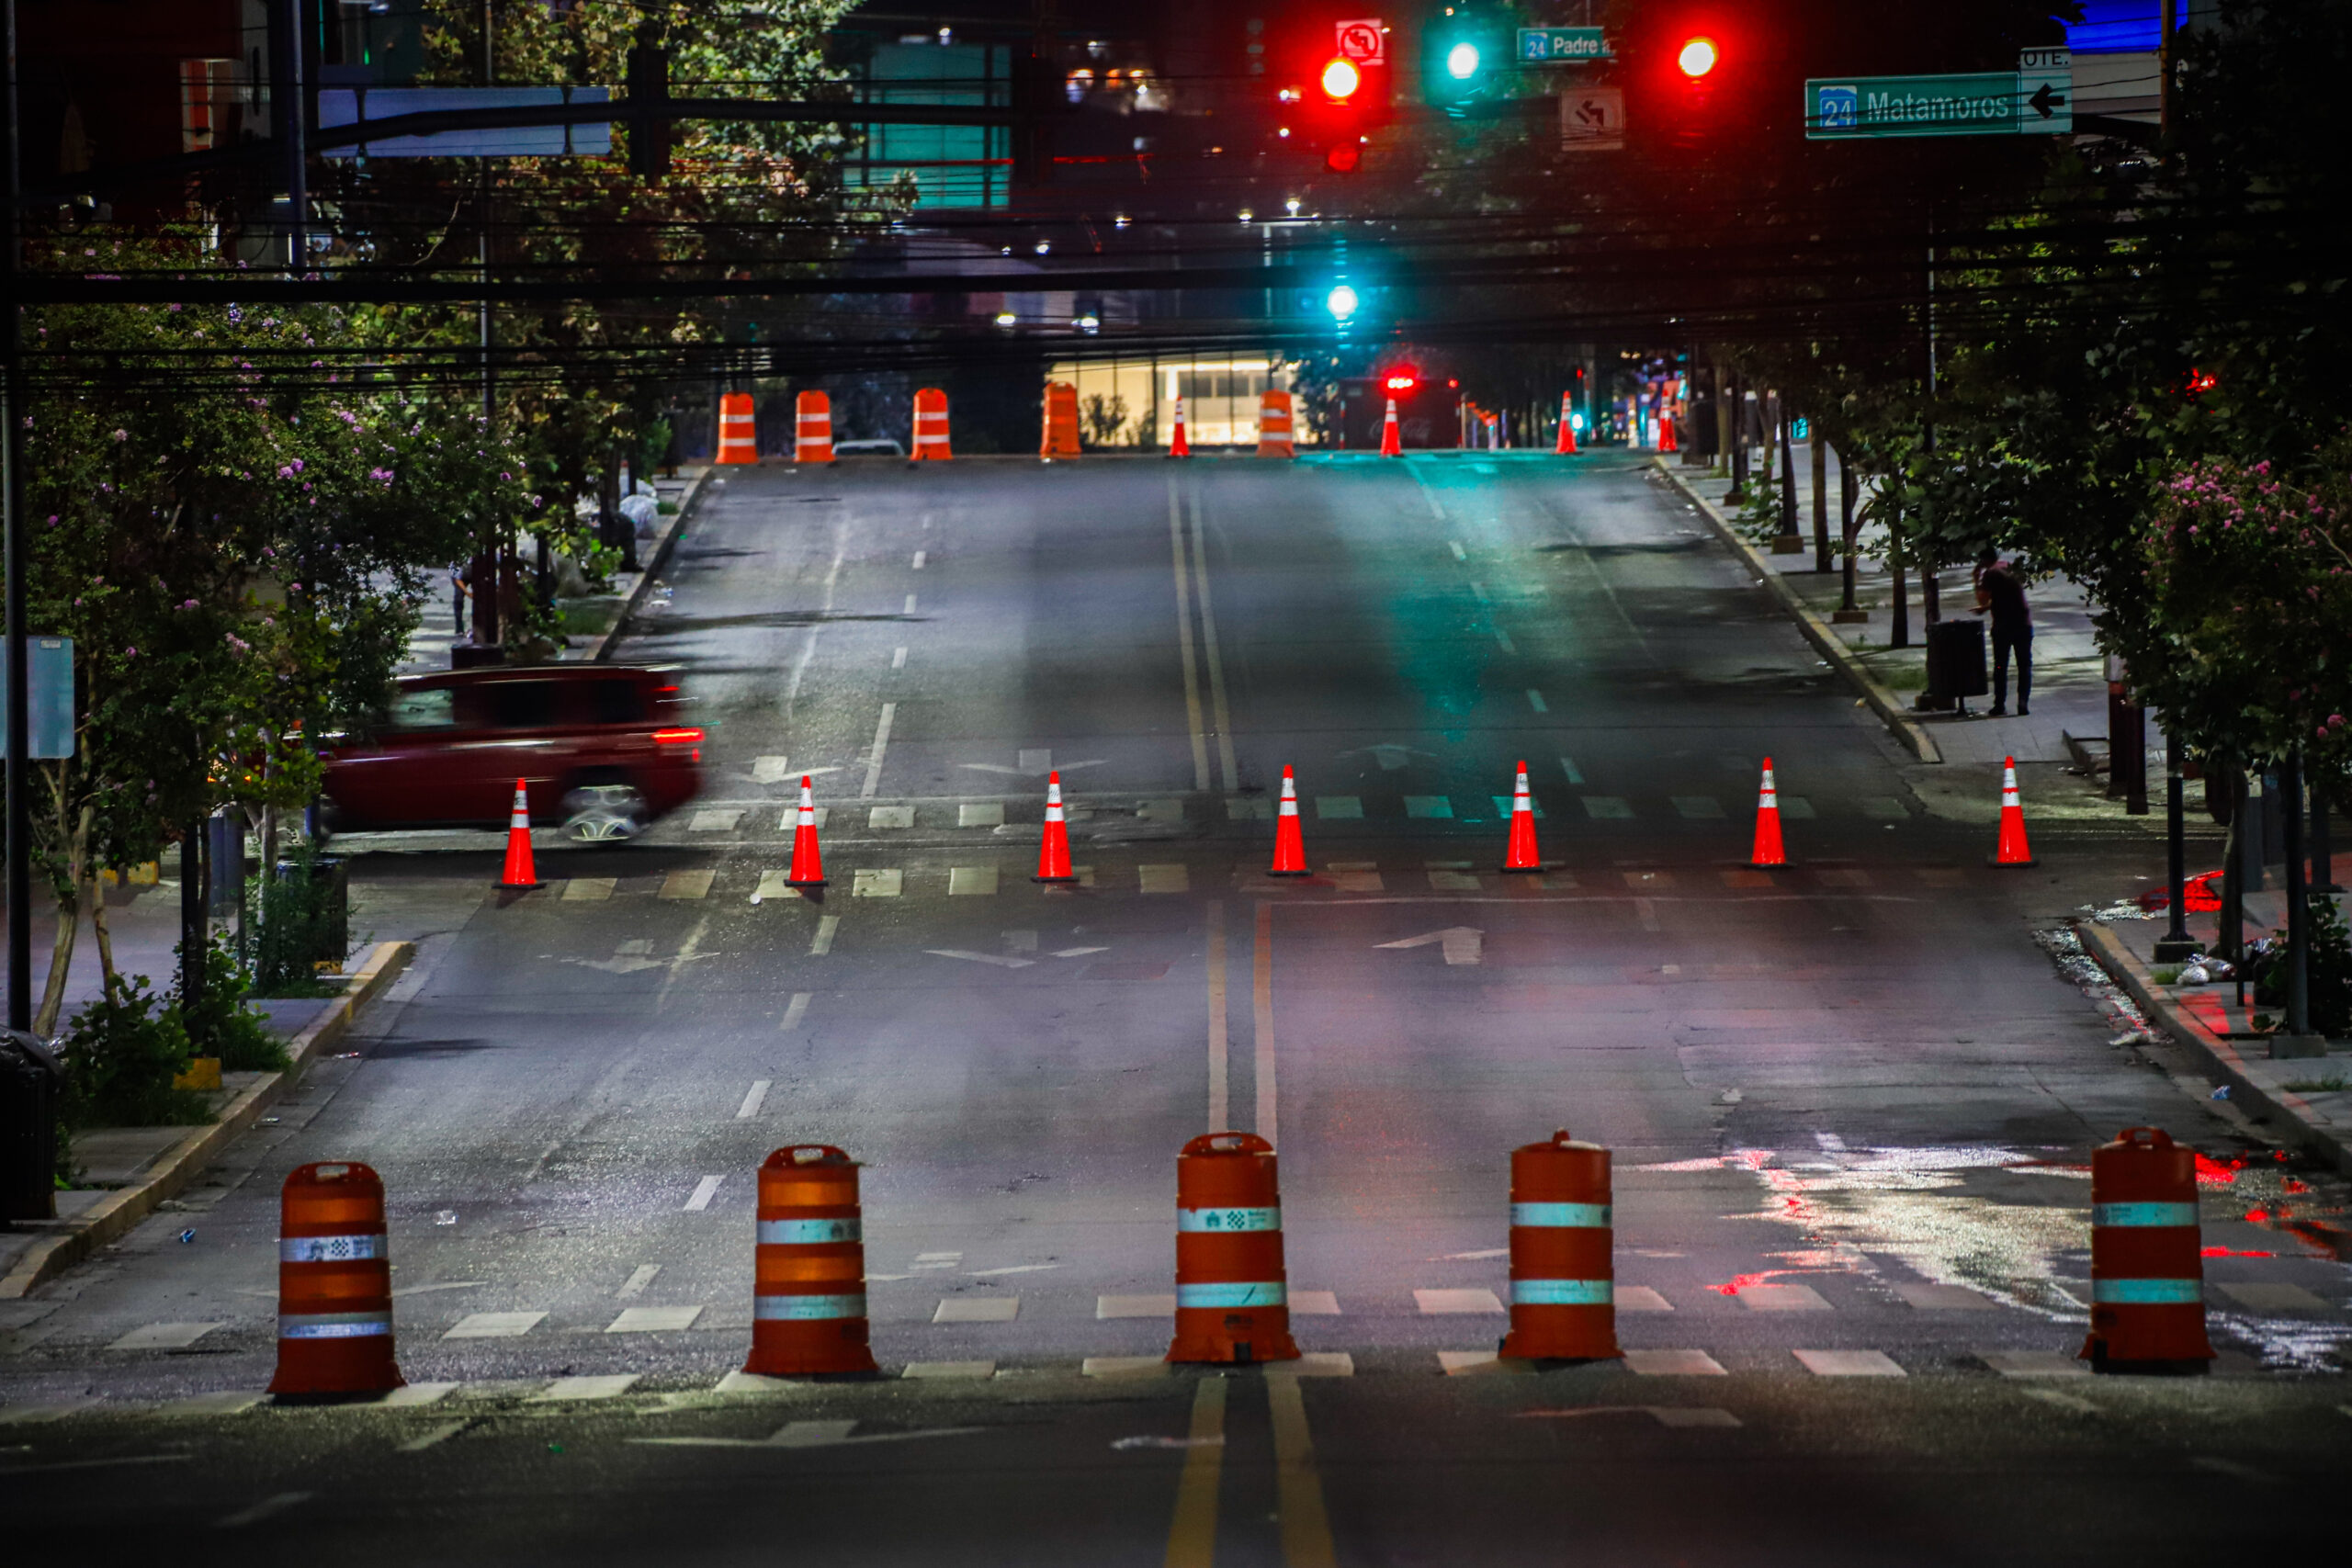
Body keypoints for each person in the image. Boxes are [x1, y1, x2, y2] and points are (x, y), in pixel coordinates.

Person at [1974, 551, 2032, 716]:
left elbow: (1982, 600)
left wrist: (1976, 579)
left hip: (2003, 627)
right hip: (2023, 623)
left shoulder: (1990, 573)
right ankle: (2023, 703)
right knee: (2024, 665)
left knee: (2000, 665)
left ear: (1982, 561)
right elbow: (2008, 594)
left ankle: (2000, 704)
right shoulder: (2007, 567)